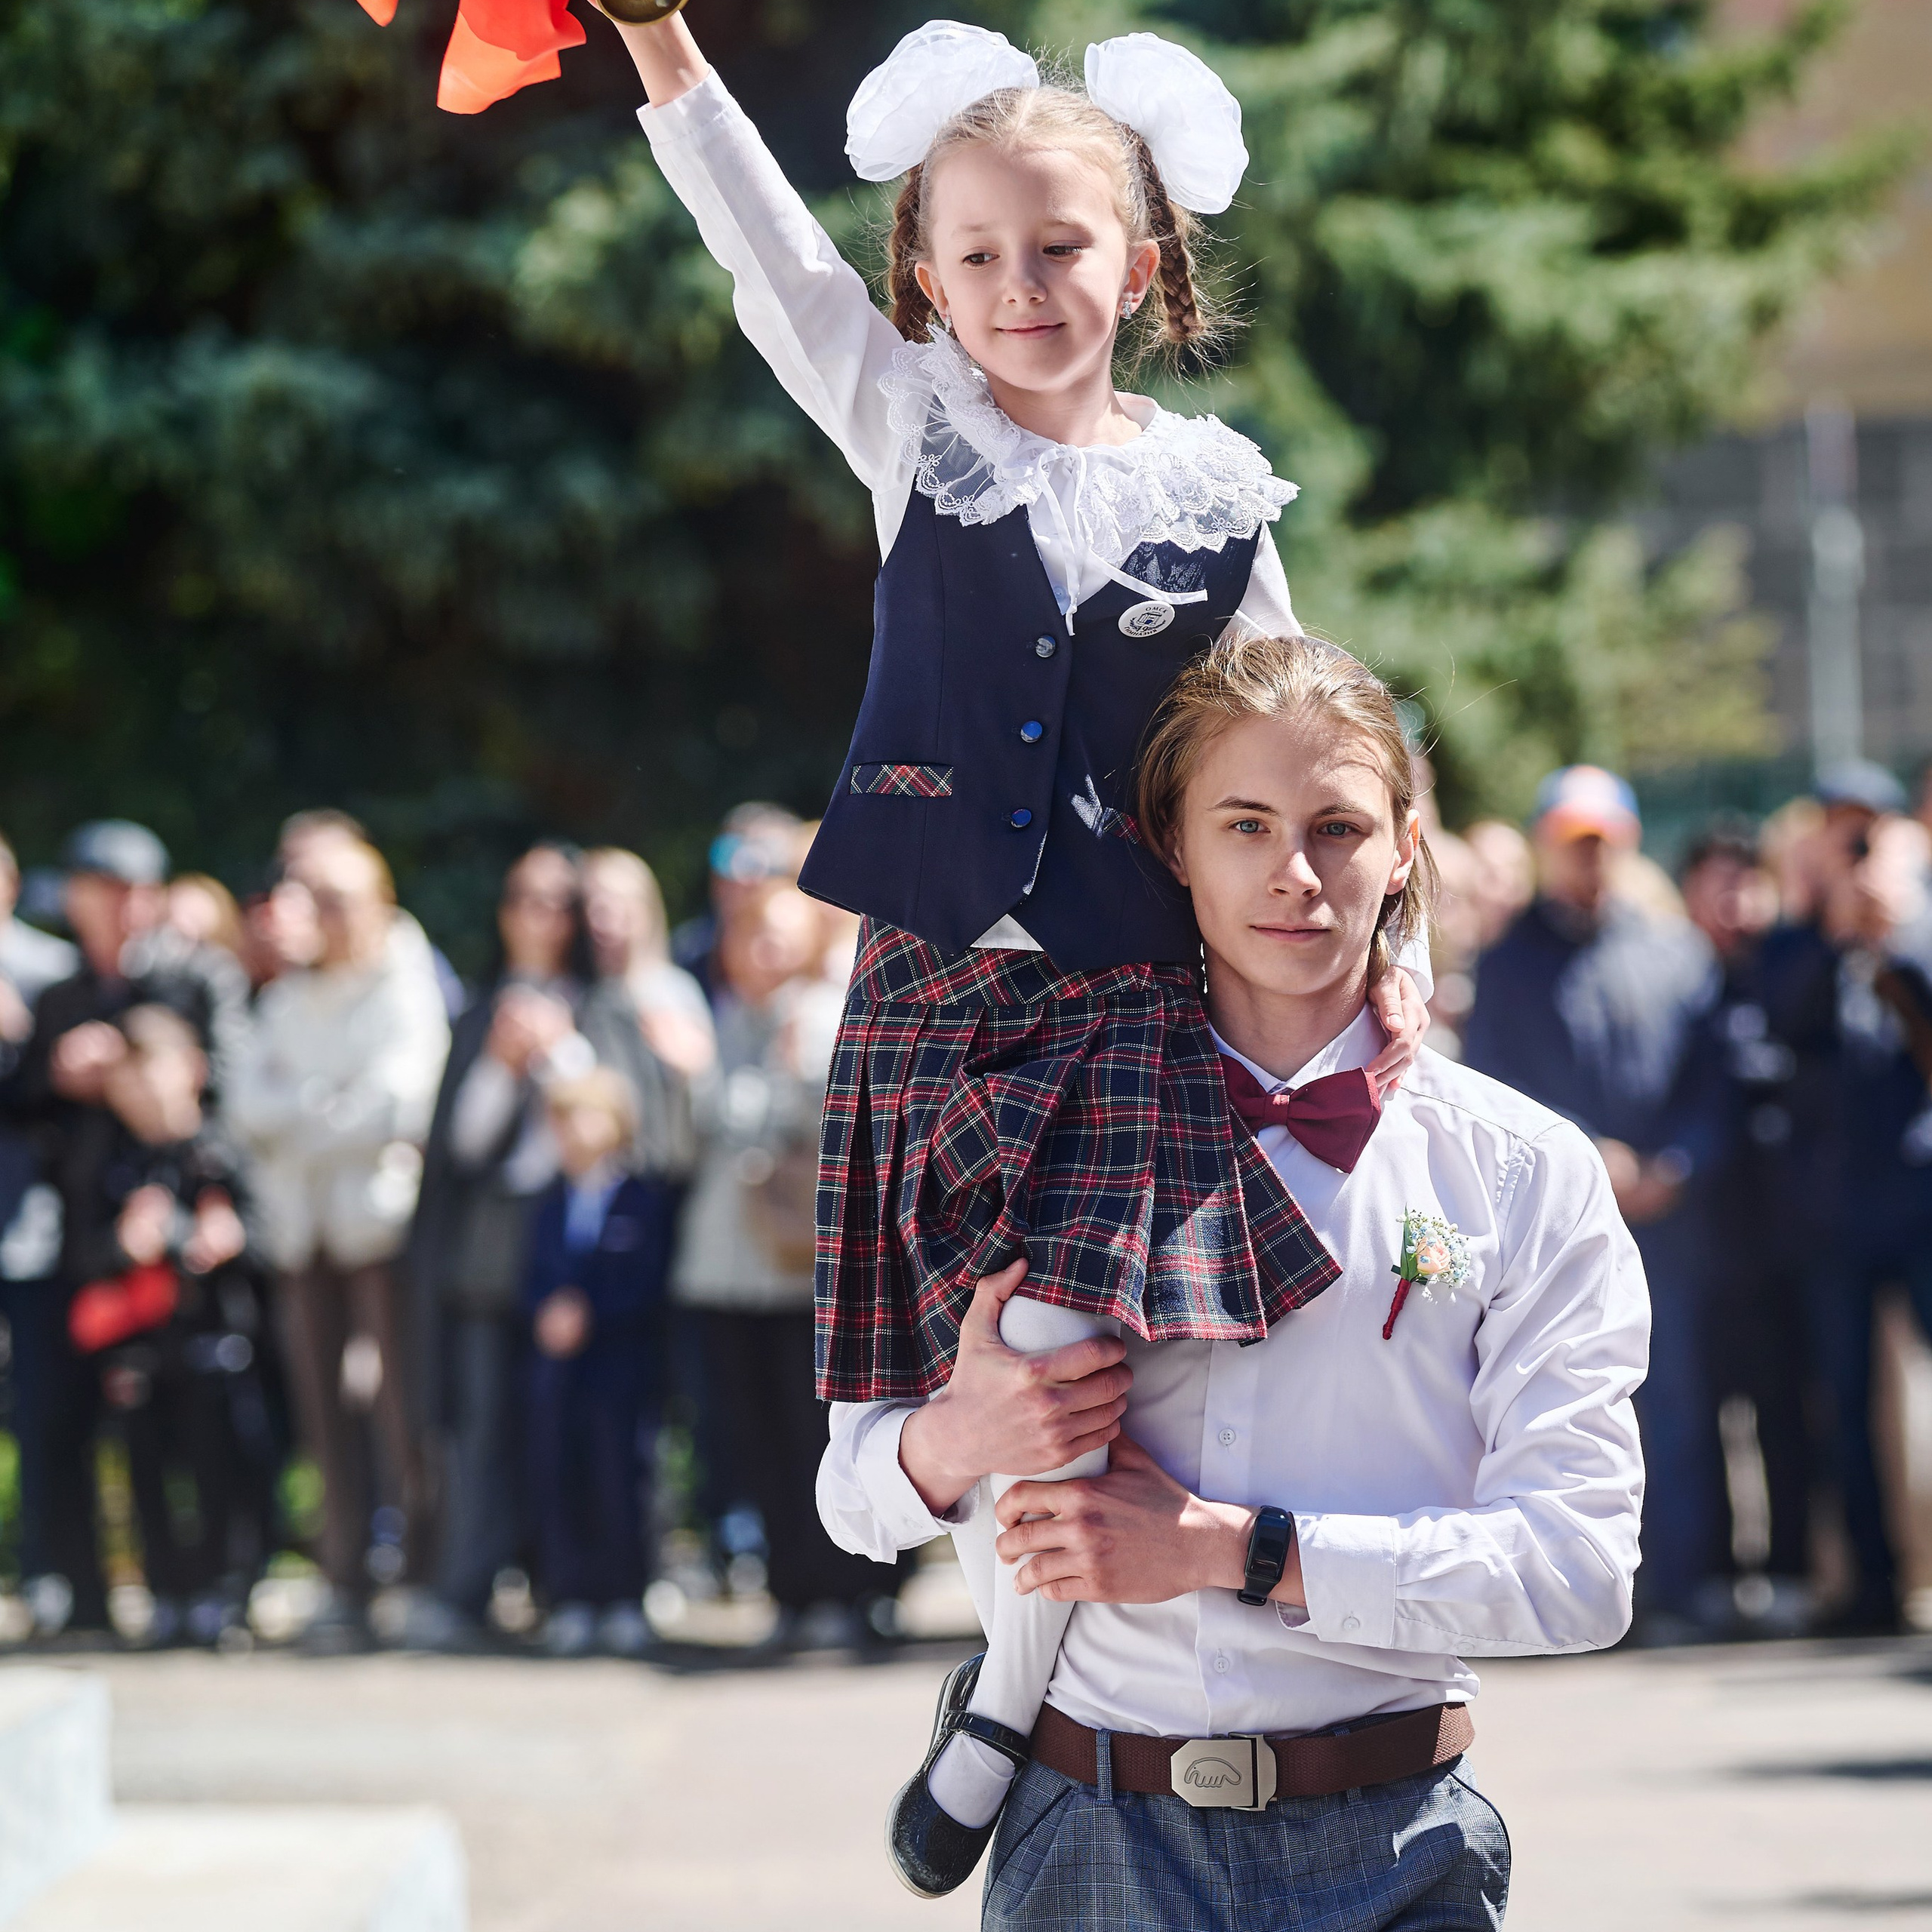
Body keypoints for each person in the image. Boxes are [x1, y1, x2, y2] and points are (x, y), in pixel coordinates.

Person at [614, 11, 1429, 1866]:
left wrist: (1384, 950)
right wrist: (662, 43)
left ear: (1136, 266)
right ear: (922, 276)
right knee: (948, 1386)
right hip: (930, 985)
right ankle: (999, 1665)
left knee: (1070, 1348)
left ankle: (997, 1701)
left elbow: (1300, 733)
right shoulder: (916, 427)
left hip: (1130, 994)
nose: (1017, 284)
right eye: (972, 253)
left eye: (1058, 246)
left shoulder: (1218, 495)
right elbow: (764, 254)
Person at [821, 632, 1647, 1918]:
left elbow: (1580, 1569)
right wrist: (957, 1436)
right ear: (1173, 848)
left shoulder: (1523, 1171)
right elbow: (850, 1495)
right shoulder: (1041, 1126)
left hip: (1401, 1846)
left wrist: (1236, 1553)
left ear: (1406, 847)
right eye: (1246, 824)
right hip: (1088, 1842)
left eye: (1339, 827)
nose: (1297, 875)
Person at [1463, 768, 1723, 1641]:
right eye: (1575, 843)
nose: (1591, 860)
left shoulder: (1673, 951)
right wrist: (1588, 1160)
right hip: (1554, 1229)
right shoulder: (1506, 966)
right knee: (1560, 1406)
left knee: (1677, 1403)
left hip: (1667, 1223)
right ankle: (1571, 1596)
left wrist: (1673, 1161)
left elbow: (1714, 1075)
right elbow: (1497, 1085)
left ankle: (1677, 1590)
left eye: (1604, 842)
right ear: (1546, 846)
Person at [5, 819, 243, 1633]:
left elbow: (224, 1099)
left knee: (200, 1424)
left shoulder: (192, 977)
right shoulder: (63, 993)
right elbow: (26, 1110)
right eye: (112, 890)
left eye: (144, 891)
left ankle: (212, 1583)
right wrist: (59, 1071)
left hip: (176, 1239)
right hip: (86, 1238)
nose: (130, 908)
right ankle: (81, 1590)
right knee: (69, 1418)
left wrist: (197, 1196)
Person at [228, 835, 450, 1651]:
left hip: (380, 1229)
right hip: (303, 1231)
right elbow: (247, 1107)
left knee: (402, 1411)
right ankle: (343, 1575)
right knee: (324, 1415)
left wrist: (303, 1114)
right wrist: (329, 1112)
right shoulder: (286, 993)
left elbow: (402, 1100)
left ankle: (422, 1574)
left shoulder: (401, 970)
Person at [671, 841, 887, 1650]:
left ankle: (840, 1591)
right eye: (746, 934)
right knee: (753, 1434)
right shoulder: (725, 1017)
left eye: (775, 934)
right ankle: (791, 1593)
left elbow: (781, 1124)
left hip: (801, 1271)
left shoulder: (824, 1010)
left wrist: (715, 1086)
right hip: (726, 1268)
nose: (758, 950)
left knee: (812, 1437)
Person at [405, 843, 606, 1650]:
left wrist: (559, 1054)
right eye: (524, 898)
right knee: (483, 1423)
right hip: (491, 1249)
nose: (540, 916)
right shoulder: (479, 1010)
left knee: (578, 1421)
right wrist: (499, 1062)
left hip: (581, 1247)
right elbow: (459, 1145)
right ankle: (466, 1587)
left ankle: (577, 1587)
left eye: (558, 901)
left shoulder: (601, 1004)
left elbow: (611, 1128)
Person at [1752, 804, 1932, 1635]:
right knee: (1845, 1401)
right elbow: (1785, 1024)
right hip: (1832, 1212)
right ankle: (1872, 1582)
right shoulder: (1794, 944)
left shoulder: (1912, 929)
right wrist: (1831, 932)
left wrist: (1900, 936)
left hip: (1917, 1194)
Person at [60, 1006, 274, 1647]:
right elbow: (81, 1254)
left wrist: (219, 1237)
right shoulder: (107, 1159)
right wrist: (123, 1245)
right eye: (126, 1079)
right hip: (140, 1352)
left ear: (192, 1070)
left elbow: (264, 1239)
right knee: (146, 1475)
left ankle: (223, 1591)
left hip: (214, 1346)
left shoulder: (221, 1151)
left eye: (152, 1072)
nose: (142, 1091)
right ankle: (165, 1592)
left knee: (221, 1474)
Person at [1678, 823, 1811, 1632]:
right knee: (1697, 1410)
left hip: (1786, 1238)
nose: (1734, 901)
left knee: (1784, 1409)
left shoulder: (1789, 965)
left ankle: (1790, 1568)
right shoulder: (1673, 979)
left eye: (1745, 881)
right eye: (1717, 882)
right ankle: (1716, 1573)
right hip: (1698, 1242)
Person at [523, 1069, 678, 1657]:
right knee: (562, 1478)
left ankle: (624, 1597)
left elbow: (646, 1281)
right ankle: (572, 1598)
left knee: (622, 1482)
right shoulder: (547, 1200)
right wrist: (546, 1312)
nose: (570, 1132)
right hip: (560, 1374)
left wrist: (593, 1312)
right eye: (560, 1119)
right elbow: (533, 1277)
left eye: (584, 1116)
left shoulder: (642, 1197)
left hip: (622, 1369)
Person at [0, 829, 79, 1632]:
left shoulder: (50, 973)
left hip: (29, 1225)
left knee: (42, 1408)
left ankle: (50, 1568)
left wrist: (20, 1040)